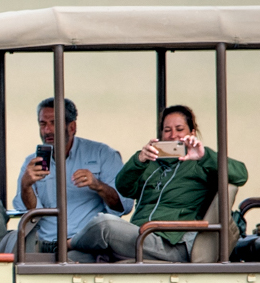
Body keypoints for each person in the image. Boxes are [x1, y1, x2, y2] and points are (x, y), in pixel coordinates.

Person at [69, 104, 248, 262]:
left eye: (179, 129)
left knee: (105, 224)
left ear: (192, 133)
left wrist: (204, 155)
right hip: (140, 236)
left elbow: (241, 175)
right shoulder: (152, 163)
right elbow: (124, 188)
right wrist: (139, 160)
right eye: (167, 130)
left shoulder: (203, 164)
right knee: (71, 258)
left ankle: (67, 242)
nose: (172, 136)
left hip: (171, 242)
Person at [9, 97, 131, 253]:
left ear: (72, 127)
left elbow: (124, 206)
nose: (47, 130)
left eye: (54, 123)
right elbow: (33, 213)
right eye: (43, 124)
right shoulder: (32, 162)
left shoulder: (103, 154)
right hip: (45, 244)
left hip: (86, 246)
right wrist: (26, 185)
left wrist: (98, 185)